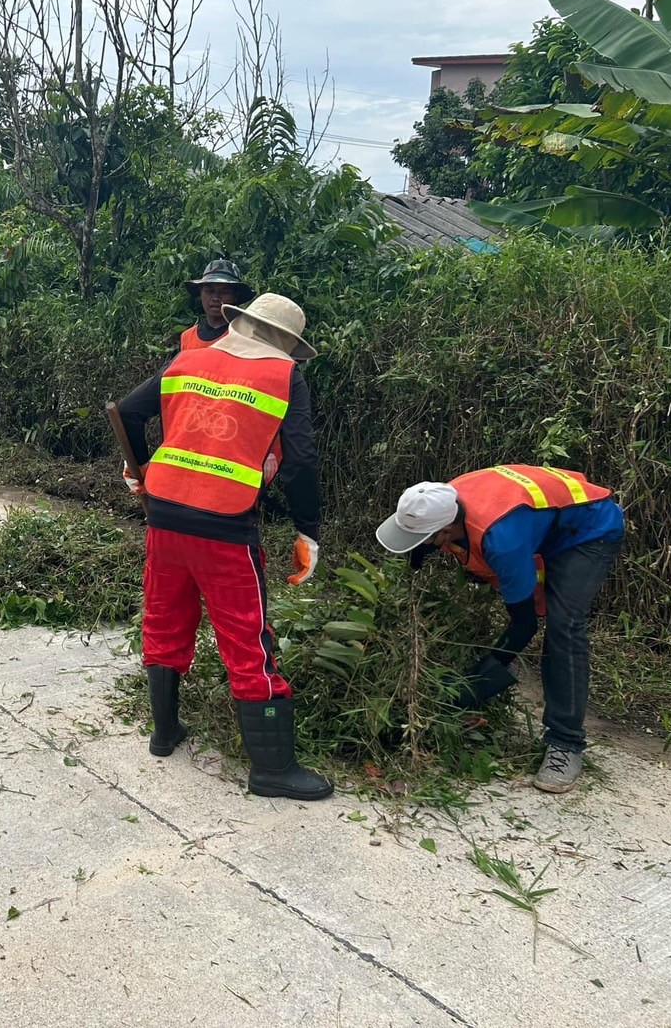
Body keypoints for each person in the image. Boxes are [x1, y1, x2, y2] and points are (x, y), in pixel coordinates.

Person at [116, 293, 332, 800]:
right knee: (246, 639)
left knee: (165, 617)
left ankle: (165, 733)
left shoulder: (187, 358)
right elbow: (299, 460)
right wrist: (309, 529)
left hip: (165, 513)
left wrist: (138, 467)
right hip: (226, 523)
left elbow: (126, 412)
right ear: (287, 346)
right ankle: (273, 770)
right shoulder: (284, 377)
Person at [376, 466, 624, 793]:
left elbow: (524, 625)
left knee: (564, 625)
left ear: (447, 527)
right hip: (540, 523)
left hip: (589, 529)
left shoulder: (500, 538)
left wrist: (476, 683)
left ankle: (566, 742)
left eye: (426, 540)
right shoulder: (439, 499)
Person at [179, 260, 253, 352]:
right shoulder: (188, 337)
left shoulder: (245, 335)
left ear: (235, 296)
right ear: (200, 293)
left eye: (224, 292)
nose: (215, 298)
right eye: (209, 291)